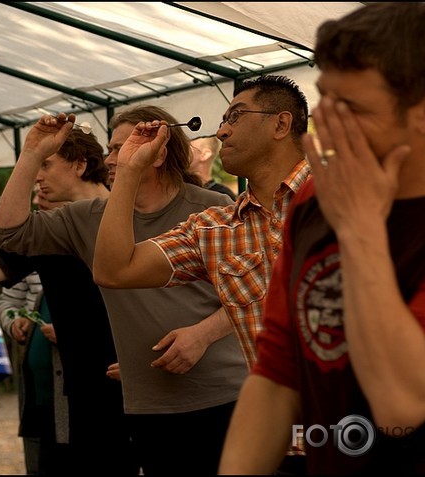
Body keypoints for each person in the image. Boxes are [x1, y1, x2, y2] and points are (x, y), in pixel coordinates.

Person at [219, 3, 425, 474]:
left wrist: (360, 232)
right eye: (326, 103)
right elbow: (278, 371)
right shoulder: (316, 195)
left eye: (352, 108)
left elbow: (403, 402)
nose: (328, 128)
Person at [0, 105, 248, 476]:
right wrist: (32, 154)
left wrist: (202, 335)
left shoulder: (214, 208)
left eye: (119, 148)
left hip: (224, 396)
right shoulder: (88, 217)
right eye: (111, 149)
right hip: (146, 406)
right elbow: (9, 235)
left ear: (158, 153)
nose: (109, 158)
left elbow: (255, 292)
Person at [0, 129, 138, 476]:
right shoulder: (50, 232)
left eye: (46, 163)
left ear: (80, 164)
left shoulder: (137, 213)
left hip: (146, 392)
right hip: (84, 400)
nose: (36, 176)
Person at [93, 75, 311, 371]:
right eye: (223, 120)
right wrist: (130, 169)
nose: (222, 131)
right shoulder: (213, 230)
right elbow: (113, 271)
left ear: (281, 124)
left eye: (235, 116)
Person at [0, 270, 70, 475]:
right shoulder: (28, 247)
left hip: (72, 384)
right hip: (37, 384)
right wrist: (14, 323)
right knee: (38, 457)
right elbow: (8, 301)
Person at [190, 135, 237, 199]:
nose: (181, 151)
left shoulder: (221, 196)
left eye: (188, 147)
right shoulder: (176, 189)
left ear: (205, 154)